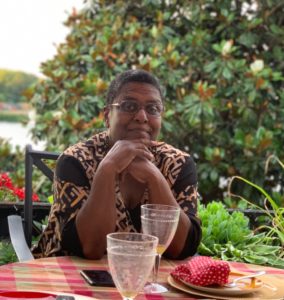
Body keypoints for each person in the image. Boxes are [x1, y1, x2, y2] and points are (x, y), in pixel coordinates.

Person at [32, 69, 202, 260]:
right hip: (69, 278)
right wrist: (107, 169)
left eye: (153, 109)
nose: (141, 117)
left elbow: (181, 247)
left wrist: (154, 178)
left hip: (149, 282)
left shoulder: (178, 164)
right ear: (107, 116)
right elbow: (90, 248)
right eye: (129, 106)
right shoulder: (75, 160)